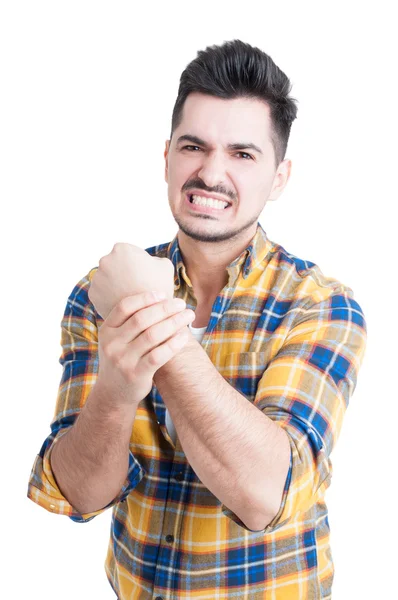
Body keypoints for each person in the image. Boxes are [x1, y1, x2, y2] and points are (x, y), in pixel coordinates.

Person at [27, 39, 367, 599]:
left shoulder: (321, 305)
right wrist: (115, 389)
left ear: (279, 177)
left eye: (242, 153)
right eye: (193, 146)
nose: (210, 173)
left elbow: (264, 495)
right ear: (166, 158)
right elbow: (81, 494)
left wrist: (151, 325)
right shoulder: (96, 294)